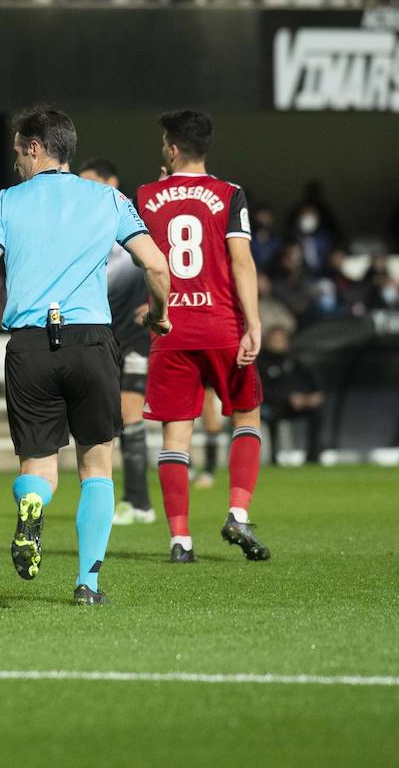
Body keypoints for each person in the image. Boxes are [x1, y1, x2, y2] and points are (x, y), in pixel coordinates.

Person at [0, 108, 170, 606]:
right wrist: (159, 315)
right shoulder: (108, 199)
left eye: (17, 152)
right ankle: (87, 584)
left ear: (34, 147)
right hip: (90, 340)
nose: (15, 163)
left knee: (38, 465)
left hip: (29, 345)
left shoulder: (5, 202)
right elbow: (156, 265)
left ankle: (31, 501)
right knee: (96, 467)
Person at [136, 110, 270, 564]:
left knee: (176, 437)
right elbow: (241, 261)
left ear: (172, 149)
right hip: (221, 326)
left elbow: (146, 260)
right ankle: (238, 513)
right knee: (247, 417)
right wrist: (253, 322)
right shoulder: (229, 193)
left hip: (170, 330)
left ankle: (180, 540)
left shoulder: (146, 196)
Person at [79, 159, 154, 526]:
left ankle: (138, 502)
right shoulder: (83, 227)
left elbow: (165, 262)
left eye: (91, 182)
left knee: (129, 414)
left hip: (135, 336)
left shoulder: (133, 220)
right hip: (101, 336)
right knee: (109, 419)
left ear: (112, 182)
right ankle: (131, 500)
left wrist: (157, 303)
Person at [258, 325, 324, 462]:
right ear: (267, 341)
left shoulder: (294, 359)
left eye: (282, 340)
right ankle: (273, 457)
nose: (279, 343)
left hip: (295, 404)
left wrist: (314, 394)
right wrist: (288, 398)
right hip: (271, 405)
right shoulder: (260, 362)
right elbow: (261, 390)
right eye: (275, 340)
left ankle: (313, 455)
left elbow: (311, 378)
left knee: (317, 411)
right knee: (272, 415)